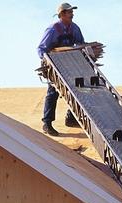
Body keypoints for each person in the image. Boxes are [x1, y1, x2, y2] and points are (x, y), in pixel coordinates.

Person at [38, 3, 85, 136]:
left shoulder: (74, 28)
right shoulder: (53, 29)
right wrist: (47, 62)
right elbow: (41, 49)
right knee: (53, 93)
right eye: (70, 12)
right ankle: (47, 123)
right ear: (62, 14)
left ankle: (71, 118)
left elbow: (80, 44)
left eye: (72, 12)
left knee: (76, 90)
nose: (72, 14)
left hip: (70, 65)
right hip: (55, 66)